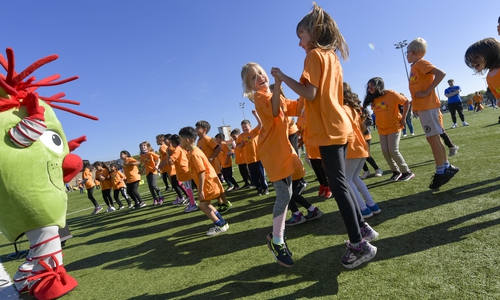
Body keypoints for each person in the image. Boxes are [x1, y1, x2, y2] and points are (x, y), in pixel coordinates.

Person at [270, 3, 378, 269]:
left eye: (301, 36)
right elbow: (315, 98)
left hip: (329, 128)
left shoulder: (314, 56)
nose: (299, 43)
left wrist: (282, 78)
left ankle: (359, 244)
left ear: (314, 31)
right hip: (337, 125)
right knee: (341, 182)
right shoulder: (332, 57)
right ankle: (362, 229)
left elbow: (311, 94)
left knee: (339, 184)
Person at [242, 62, 305, 268]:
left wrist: (306, 86)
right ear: (249, 86)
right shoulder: (260, 97)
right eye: (253, 77)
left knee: (290, 191)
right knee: (284, 195)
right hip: (273, 153)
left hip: (283, 150)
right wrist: (278, 83)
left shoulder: (272, 93)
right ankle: (277, 241)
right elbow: (276, 110)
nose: (259, 77)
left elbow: (294, 107)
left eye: (260, 73)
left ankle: (277, 237)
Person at [407, 37, 458, 189]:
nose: (406, 54)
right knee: (433, 138)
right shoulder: (415, 66)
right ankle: (445, 168)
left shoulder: (421, 63)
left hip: (428, 107)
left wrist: (427, 91)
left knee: (433, 138)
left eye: (407, 51)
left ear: (414, 52)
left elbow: (441, 73)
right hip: (424, 108)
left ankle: (442, 170)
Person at [178, 126, 229, 236]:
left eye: (180, 139)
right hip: (207, 183)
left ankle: (220, 225)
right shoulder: (193, 152)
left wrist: (200, 190)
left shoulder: (195, 154)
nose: (179, 142)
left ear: (187, 140)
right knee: (207, 205)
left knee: (203, 206)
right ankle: (223, 223)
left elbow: (201, 172)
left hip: (207, 184)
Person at [363, 77, 415, 182]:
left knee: (393, 150)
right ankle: (396, 172)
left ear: (379, 86)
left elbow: (406, 102)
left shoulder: (391, 94)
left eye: (372, 87)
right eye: (369, 88)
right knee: (385, 152)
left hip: (394, 126)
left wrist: (403, 118)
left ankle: (407, 172)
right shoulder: (373, 98)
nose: (370, 89)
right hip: (382, 128)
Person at [344, 82, 381, 218]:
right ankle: (371, 205)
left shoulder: (342, 108)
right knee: (354, 177)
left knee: (347, 179)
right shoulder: (354, 108)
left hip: (352, 147)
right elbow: (364, 128)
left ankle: (363, 208)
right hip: (361, 145)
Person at [195, 120, 232, 212]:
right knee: (213, 186)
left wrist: (211, 158)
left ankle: (226, 202)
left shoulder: (208, 139)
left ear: (204, 129)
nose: (195, 129)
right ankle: (220, 202)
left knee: (218, 185)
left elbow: (218, 148)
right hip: (206, 167)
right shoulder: (199, 141)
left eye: (198, 128)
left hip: (213, 166)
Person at [465, 38, 500, 118]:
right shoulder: (489, 77)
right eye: (470, 59)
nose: (473, 62)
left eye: (476, 57)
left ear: (491, 53)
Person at [238, 118, 269, 195]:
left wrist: (255, 115)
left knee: (261, 175)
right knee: (254, 176)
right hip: (249, 160)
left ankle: (265, 188)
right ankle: (258, 188)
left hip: (258, 158)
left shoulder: (254, 132)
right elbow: (238, 145)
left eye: (246, 126)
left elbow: (260, 124)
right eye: (243, 127)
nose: (244, 128)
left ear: (250, 126)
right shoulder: (241, 136)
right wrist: (241, 144)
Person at [355, 93, 383, 179]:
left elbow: (370, 121)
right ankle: (366, 171)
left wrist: (361, 126)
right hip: (356, 136)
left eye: (353, 99)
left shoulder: (363, 109)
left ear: (357, 100)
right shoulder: (351, 110)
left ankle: (377, 169)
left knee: (366, 154)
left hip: (366, 135)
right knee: (358, 155)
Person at [168, 134, 198, 213]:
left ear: (173, 142)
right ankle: (192, 202)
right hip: (185, 169)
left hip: (183, 170)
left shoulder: (177, 149)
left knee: (188, 188)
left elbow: (171, 159)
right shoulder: (182, 148)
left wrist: (169, 158)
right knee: (188, 187)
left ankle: (193, 204)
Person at [139, 141, 164, 205]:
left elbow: (159, 158)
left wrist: (157, 166)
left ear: (147, 146)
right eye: (142, 146)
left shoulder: (151, 153)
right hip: (147, 172)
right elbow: (144, 164)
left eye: (144, 145)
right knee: (150, 187)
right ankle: (155, 199)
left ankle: (161, 197)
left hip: (153, 171)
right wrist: (141, 171)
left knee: (154, 185)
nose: (143, 147)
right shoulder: (141, 156)